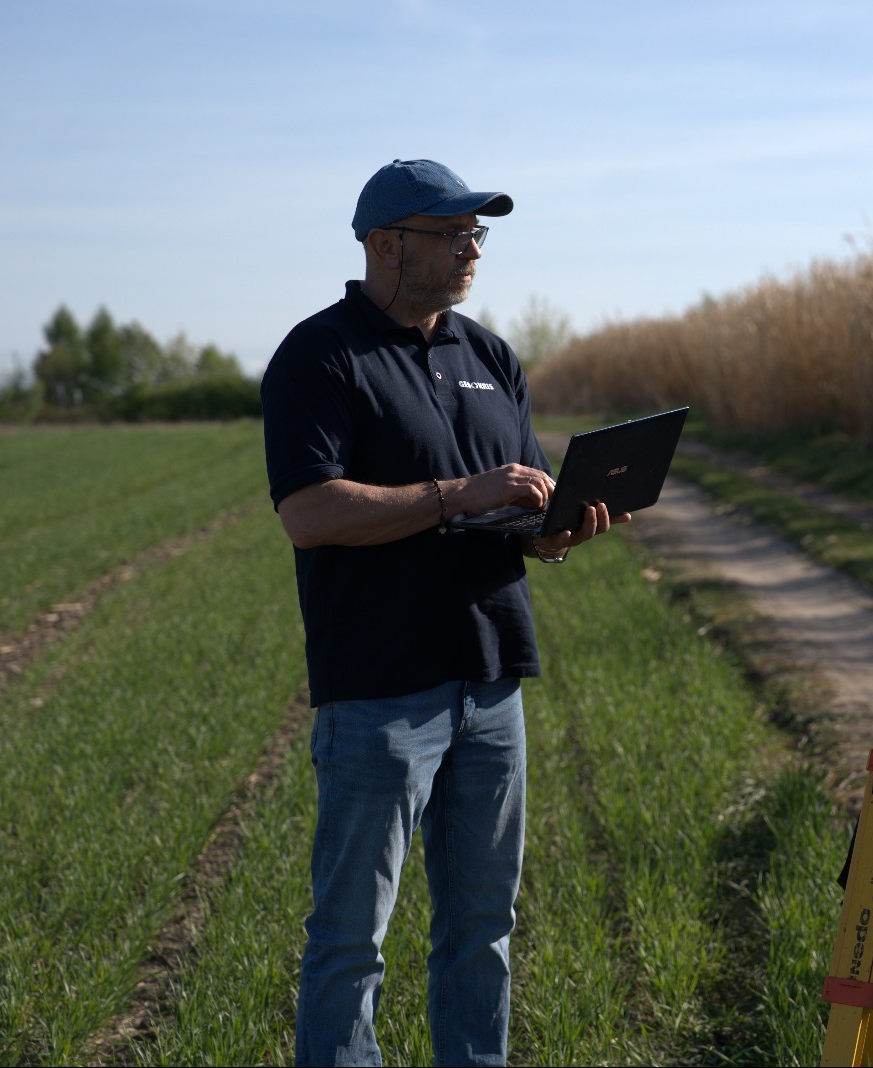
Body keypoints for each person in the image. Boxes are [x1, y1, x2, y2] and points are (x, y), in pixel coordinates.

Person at [260, 158, 622, 1067]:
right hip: (381, 693)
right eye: (451, 232)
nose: (471, 248)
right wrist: (458, 493)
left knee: (483, 931)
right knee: (350, 943)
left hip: (494, 682)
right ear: (386, 245)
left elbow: (516, 516)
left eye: (477, 233)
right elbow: (309, 513)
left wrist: (557, 529)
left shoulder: (489, 355)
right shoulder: (320, 355)